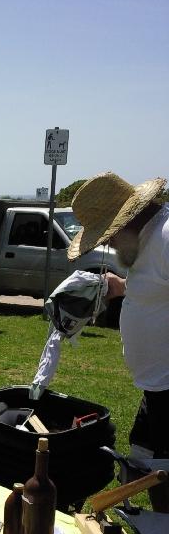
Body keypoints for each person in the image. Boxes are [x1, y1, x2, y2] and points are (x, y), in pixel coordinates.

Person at [68, 171, 169, 509]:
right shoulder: (148, 241)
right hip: (156, 388)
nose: (109, 245)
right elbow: (157, 291)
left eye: (109, 237)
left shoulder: (167, 236)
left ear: (131, 219)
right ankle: (149, 525)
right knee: (141, 457)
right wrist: (121, 287)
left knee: (163, 472)